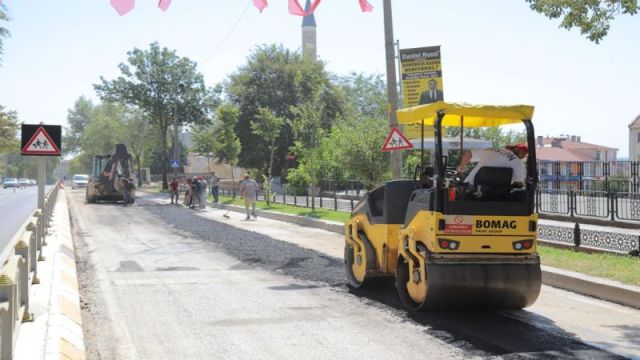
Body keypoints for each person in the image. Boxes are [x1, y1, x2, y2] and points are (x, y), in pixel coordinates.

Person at [458, 144, 528, 187]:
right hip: (497, 197)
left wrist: (461, 168)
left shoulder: (492, 150)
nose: (522, 157)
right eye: (522, 155)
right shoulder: (518, 163)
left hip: (471, 187)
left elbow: (469, 153)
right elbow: (518, 184)